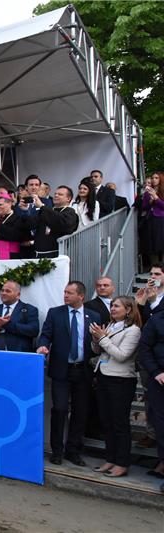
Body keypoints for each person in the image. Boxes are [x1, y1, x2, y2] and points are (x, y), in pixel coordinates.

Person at [36, 281, 101, 466]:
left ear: (81, 296)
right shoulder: (55, 313)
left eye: (70, 293)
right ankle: (57, 450)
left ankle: (74, 450)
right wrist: (43, 345)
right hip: (61, 371)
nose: (65, 295)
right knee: (60, 409)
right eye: (64, 292)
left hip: (83, 371)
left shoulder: (93, 315)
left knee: (80, 412)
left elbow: (96, 342)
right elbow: (46, 334)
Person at [89, 296, 142, 478]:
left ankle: (122, 462)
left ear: (128, 310)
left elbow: (122, 355)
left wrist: (102, 338)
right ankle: (110, 458)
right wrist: (96, 339)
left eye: (117, 306)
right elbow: (99, 351)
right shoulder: (110, 326)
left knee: (119, 423)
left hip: (121, 380)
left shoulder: (133, 331)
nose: (112, 308)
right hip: (104, 376)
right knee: (107, 421)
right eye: (112, 305)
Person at [138, 306, 164, 492]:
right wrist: (157, 372)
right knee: (161, 426)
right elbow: (144, 349)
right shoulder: (156, 320)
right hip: (160, 382)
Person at [0, 281, 39, 352]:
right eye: (2, 290)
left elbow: (34, 330)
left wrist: (7, 325)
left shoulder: (29, 309)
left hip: (18, 356)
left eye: (8, 291)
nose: (3, 293)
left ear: (18, 295)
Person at [28, 186, 79, 258]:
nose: (56, 195)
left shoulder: (70, 212)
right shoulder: (47, 210)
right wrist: (26, 211)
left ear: (68, 198)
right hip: (38, 254)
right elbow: (32, 224)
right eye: (55, 194)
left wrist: (42, 206)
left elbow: (62, 223)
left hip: (56, 254)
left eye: (60, 194)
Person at [141, 172, 164, 266]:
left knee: (161, 242)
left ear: (161, 179)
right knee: (152, 243)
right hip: (151, 219)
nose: (153, 180)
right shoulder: (148, 192)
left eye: (156, 178)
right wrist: (150, 201)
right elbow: (144, 207)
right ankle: (154, 267)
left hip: (161, 219)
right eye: (152, 178)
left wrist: (156, 198)